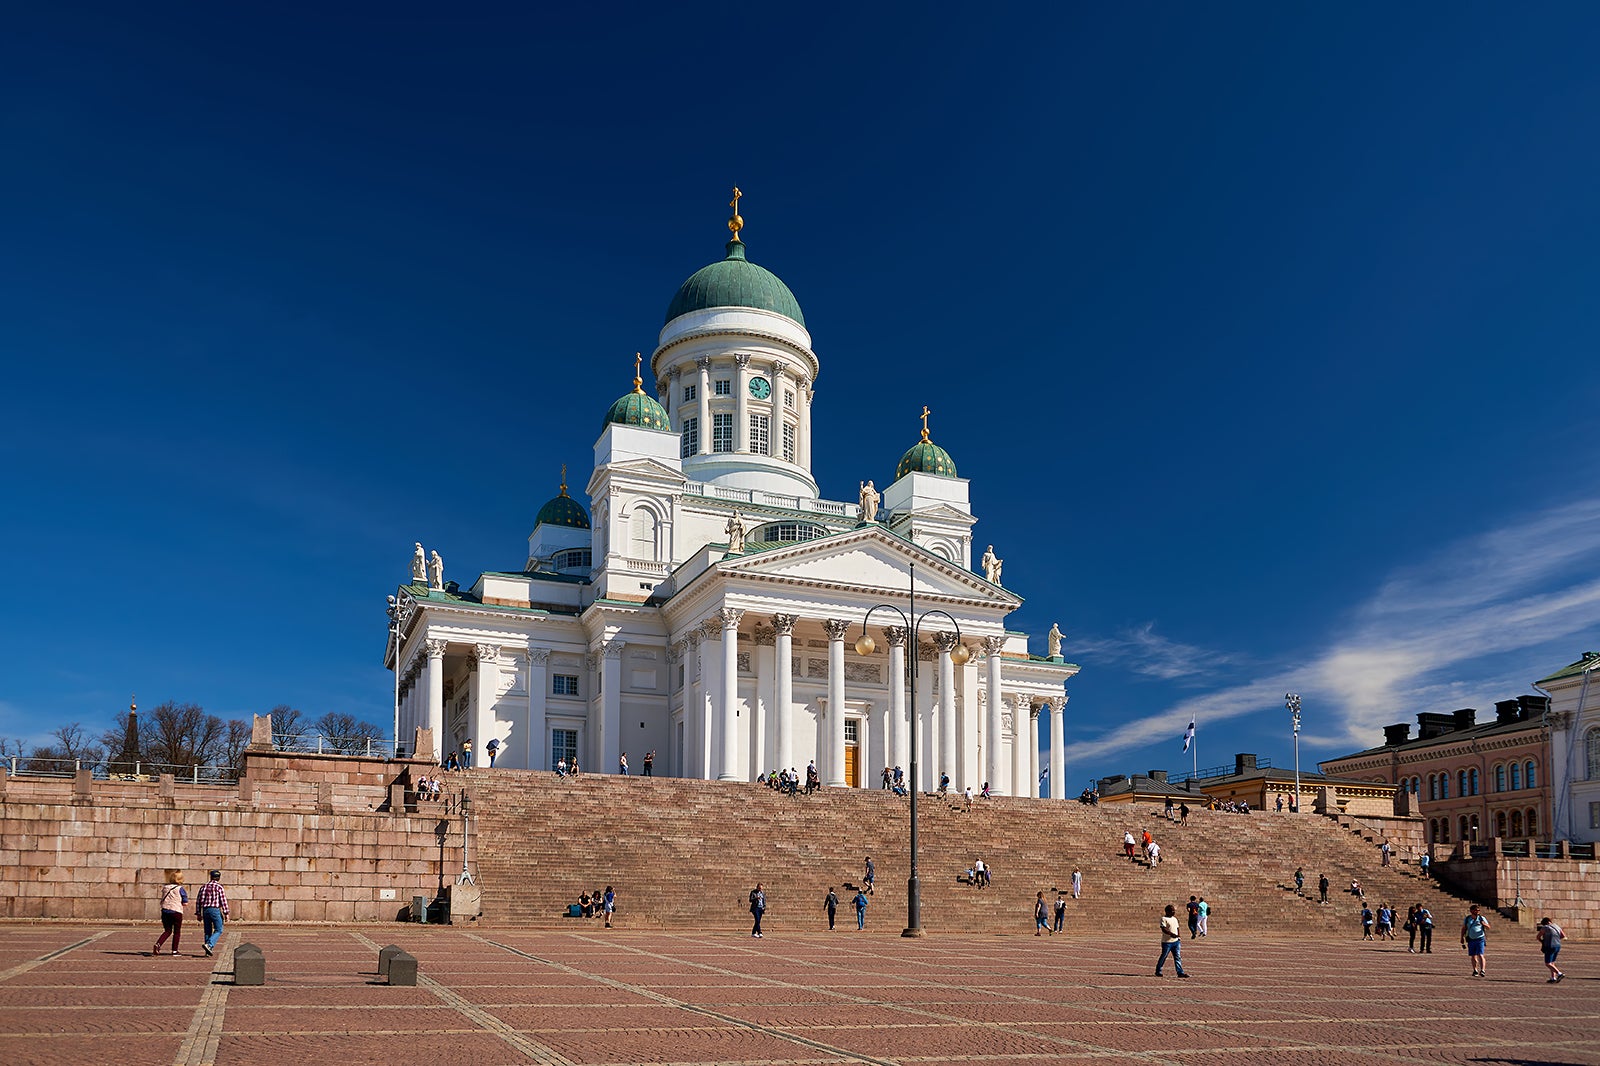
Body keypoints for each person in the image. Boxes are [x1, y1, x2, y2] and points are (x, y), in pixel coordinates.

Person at [152, 870, 188, 956]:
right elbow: (185, 903)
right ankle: (174, 951)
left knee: (167, 931)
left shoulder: (165, 887)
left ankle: (158, 944)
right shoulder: (180, 889)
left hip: (165, 911)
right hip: (176, 911)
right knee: (177, 932)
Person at [196, 869, 229, 958]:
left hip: (205, 910)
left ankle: (208, 951)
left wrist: (198, 913)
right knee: (219, 929)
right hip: (215, 910)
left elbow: (199, 901)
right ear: (218, 878)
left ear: (210, 877)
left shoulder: (204, 887)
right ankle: (209, 945)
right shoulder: (219, 887)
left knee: (207, 931)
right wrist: (226, 913)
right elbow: (223, 901)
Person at [1156, 904, 1189, 977]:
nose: (1173, 912)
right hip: (1167, 942)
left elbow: (1177, 928)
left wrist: (1178, 936)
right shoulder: (1163, 919)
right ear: (1167, 911)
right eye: (1172, 911)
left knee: (1177, 957)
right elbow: (1164, 929)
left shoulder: (1175, 919)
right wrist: (1171, 934)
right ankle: (1158, 970)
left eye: (1174, 911)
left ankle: (1180, 972)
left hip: (1176, 942)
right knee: (1164, 956)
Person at [1461, 904, 1491, 976]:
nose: (1477, 911)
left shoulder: (1481, 918)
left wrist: (1484, 924)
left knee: (1480, 954)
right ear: (1471, 911)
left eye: (1478, 910)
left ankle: (1483, 970)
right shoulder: (1468, 919)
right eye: (1476, 910)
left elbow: (1488, 927)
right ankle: (1475, 970)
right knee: (1473, 955)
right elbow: (1464, 928)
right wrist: (1461, 937)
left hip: (1480, 938)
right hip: (1471, 939)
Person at [1536, 917, 1565, 982]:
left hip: (1550, 946)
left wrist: (1542, 941)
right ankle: (1553, 978)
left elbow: (1538, 937)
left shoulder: (1545, 927)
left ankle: (1559, 973)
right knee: (1552, 962)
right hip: (1557, 945)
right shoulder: (1557, 926)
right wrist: (1556, 939)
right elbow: (1563, 935)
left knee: (1547, 963)